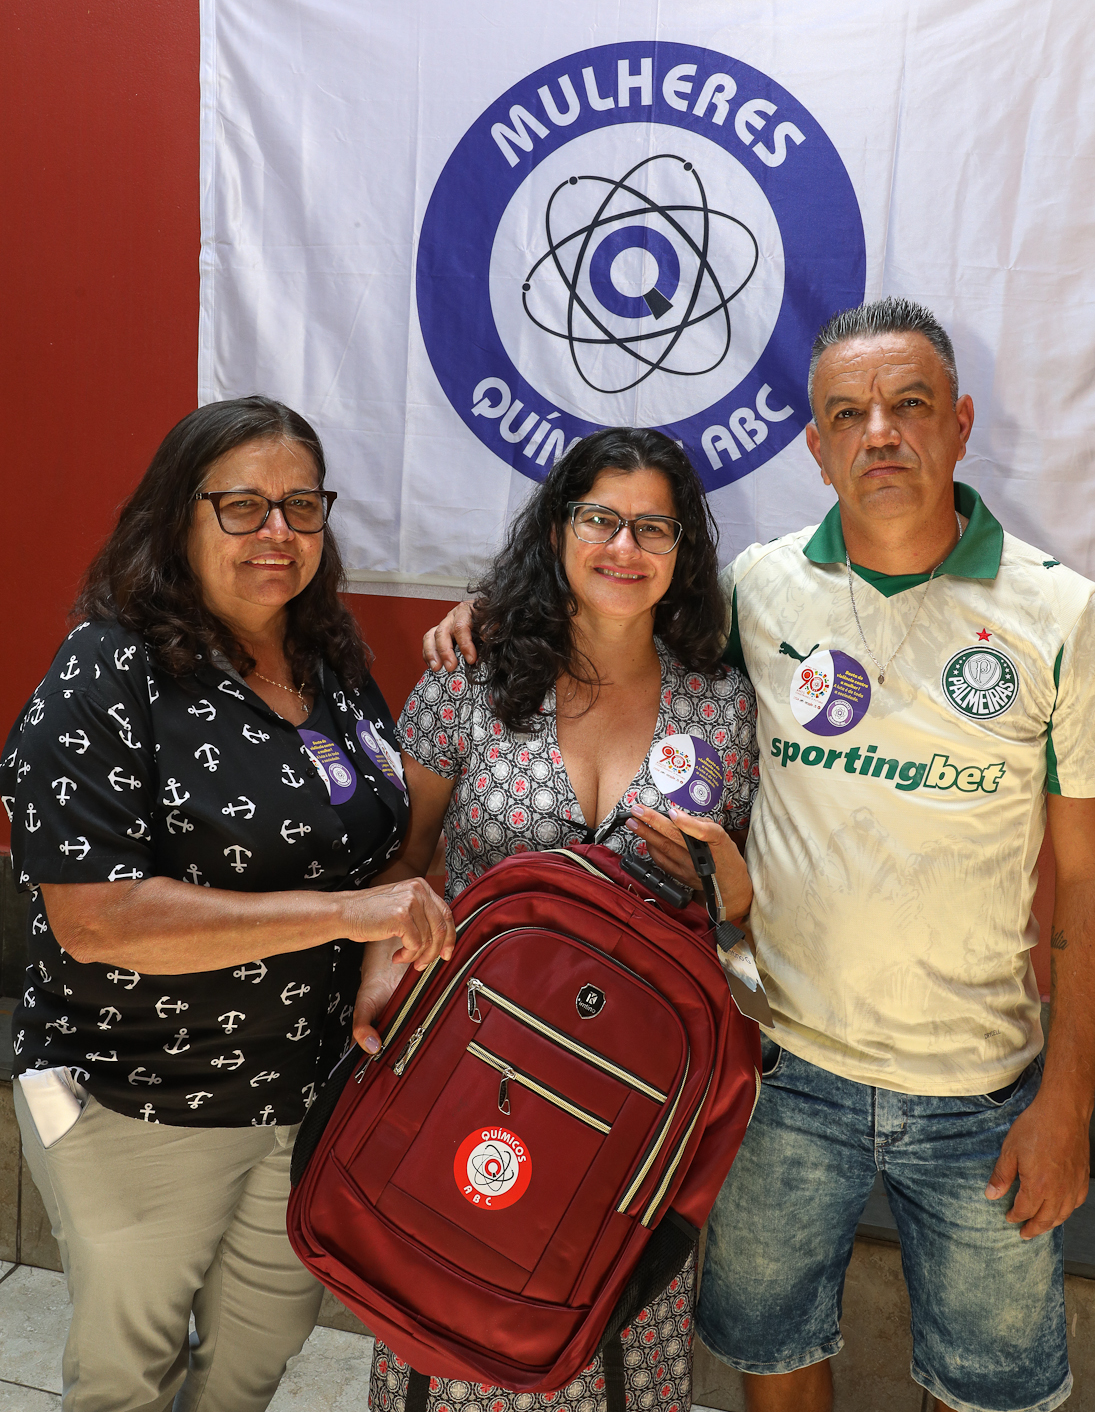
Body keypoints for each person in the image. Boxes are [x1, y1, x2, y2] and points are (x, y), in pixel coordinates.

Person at [423, 297, 1095, 1412]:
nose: (881, 431)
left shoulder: (1061, 616)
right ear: (816, 443)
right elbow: (614, 605)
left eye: (910, 404)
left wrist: (1072, 1097)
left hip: (981, 1083)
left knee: (990, 1392)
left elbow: (1084, 882)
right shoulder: (759, 591)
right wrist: (492, 606)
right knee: (771, 1355)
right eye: (850, 411)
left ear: (962, 424)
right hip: (782, 1067)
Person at [0, 395, 455, 1412]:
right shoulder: (107, 669)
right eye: (243, 507)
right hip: (136, 1097)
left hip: (312, 1096)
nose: (279, 533)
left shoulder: (328, 657)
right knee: (131, 1372)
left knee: (259, 1349)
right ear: (177, 517)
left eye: (301, 504)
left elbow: (374, 842)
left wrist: (383, 936)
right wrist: (345, 915)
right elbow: (95, 915)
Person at [355, 426, 759, 1412]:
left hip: (633, 1093)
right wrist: (377, 963)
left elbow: (742, 921)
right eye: (601, 518)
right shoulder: (473, 674)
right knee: (451, 1306)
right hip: (473, 1062)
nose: (625, 546)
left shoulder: (724, 705)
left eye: (653, 526)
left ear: (684, 551)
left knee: (607, 1332)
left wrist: (726, 876)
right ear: (557, 531)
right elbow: (404, 855)